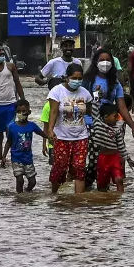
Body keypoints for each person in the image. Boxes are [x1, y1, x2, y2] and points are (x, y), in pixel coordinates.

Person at [82, 48, 134, 187]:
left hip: (109, 125)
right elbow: (81, 100)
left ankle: (106, 192)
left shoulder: (115, 84)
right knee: (93, 163)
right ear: (95, 62)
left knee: (110, 157)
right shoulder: (88, 81)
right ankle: (86, 190)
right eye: (102, 60)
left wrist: (133, 126)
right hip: (91, 126)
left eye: (108, 60)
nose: (105, 63)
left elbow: (122, 107)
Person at [47, 63, 93, 194]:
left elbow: (89, 113)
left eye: (80, 79)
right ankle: (54, 195)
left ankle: (78, 200)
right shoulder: (57, 91)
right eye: (74, 78)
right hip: (62, 137)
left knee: (79, 168)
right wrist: (50, 130)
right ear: (67, 77)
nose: (77, 81)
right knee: (60, 168)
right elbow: (54, 111)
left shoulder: (85, 93)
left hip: (81, 137)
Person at [91, 95, 134, 192]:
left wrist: (128, 159)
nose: (117, 119)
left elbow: (121, 146)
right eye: (115, 116)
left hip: (114, 157)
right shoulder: (98, 123)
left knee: (119, 179)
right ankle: (106, 202)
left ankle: (120, 202)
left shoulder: (117, 129)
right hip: (103, 158)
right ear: (105, 117)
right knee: (102, 185)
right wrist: (97, 95)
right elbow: (95, 109)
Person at [2, 99, 49, 193]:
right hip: (16, 158)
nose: (21, 113)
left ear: (29, 112)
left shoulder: (32, 126)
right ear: (15, 112)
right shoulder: (11, 127)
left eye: (24, 111)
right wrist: (3, 156)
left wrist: (51, 138)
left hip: (28, 158)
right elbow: (8, 142)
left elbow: (42, 134)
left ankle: (27, 192)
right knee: (19, 180)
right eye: (19, 111)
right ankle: (19, 199)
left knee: (32, 182)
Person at [41, 78, 64, 165]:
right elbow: (45, 128)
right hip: (53, 144)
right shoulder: (47, 107)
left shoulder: (66, 104)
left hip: (65, 140)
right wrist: (44, 145)